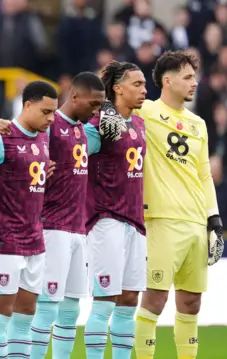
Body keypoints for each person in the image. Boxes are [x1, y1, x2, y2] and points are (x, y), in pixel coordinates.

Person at [0, 72, 106, 359]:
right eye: (93, 104)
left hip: (78, 229)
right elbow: (8, 144)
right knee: (44, 306)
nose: (97, 110)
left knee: (71, 308)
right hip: (50, 227)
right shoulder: (46, 129)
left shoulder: (83, 129)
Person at [127, 51, 224, 359]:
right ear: (167, 82)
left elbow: (204, 174)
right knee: (154, 300)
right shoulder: (147, 111)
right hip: (161, 220)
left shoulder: (199, 124)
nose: (195, 83)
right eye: (188, 77)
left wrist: (214, 221)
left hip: (196, 222)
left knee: (191, 303)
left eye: (194, 77)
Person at [0, 81, 58, 359]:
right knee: (1, 316)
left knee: (25, 315)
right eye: (46, 111)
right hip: (4, 240)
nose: (51, 118)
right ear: (27, 105)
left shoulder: (42, 138)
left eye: (54, 112)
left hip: (34, 240)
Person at [82, 61, 147, 359]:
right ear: (117, 88)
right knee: (105, 299)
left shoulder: (140, 123)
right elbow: (74, 154)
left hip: (135, 219)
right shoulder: (97, 126)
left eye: (145, 84)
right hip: (106, 217)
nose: (144, 90)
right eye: (137, 84)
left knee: (130, 300)